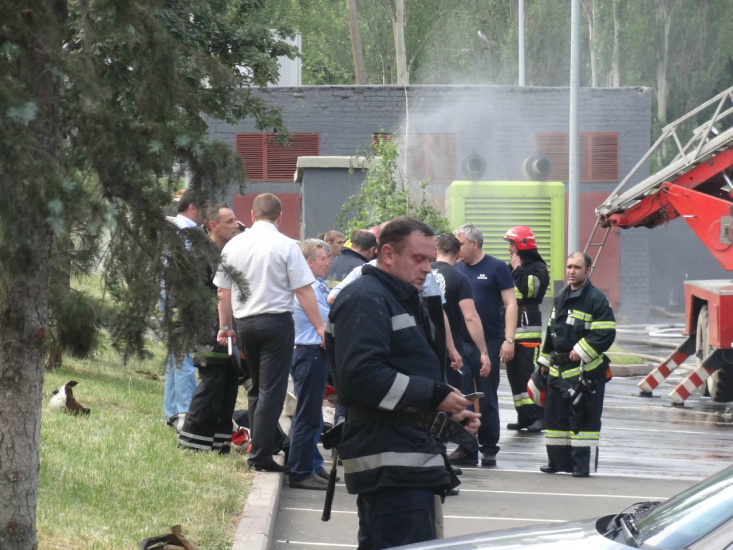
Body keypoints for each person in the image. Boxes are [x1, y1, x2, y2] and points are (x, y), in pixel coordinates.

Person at [326, 217, 480, 550]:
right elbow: (359, 377)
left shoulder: (399, 297)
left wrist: (446, 411)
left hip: (404, 458)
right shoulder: (365, 298)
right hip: (391, 464)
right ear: (387, 254)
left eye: (430, 259)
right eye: (418, 259)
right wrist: (434, 395)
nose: (427, 268)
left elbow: (405, 372)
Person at [214, 193, 325, 473]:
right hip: (276, 323)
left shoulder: (233, 245)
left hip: (244, 324)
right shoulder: (287, 245)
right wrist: (320, 327)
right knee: (271, 392)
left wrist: (225, 327)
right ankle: (261, 455)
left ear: (252, 215)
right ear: (280, 216)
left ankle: (261, 446)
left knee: (256, 389)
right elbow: (303, 290)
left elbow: (223, 291)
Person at [537, 252, 616, 478]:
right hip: (558, 371)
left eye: (577, 267)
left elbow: (606, 332)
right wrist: (544, 361)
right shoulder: (561, 295)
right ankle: (557, 462)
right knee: (555, 418)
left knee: (584, 420)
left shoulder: (596, 299)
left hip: (585, 374)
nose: (571, 271)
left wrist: (580, 351)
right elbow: (552, 330)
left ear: (588, 271)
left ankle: (581, 466)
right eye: (569, 266)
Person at [451, 224, 518, 467]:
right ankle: (466, 448)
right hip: (461, 343)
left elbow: (511, 304)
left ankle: (489, 447)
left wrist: (508, 340)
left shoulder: (496, 267)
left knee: (487, 396)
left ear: (474, 243)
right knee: (462, 397)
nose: (457, 249)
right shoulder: (456, 268)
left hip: (489, 342)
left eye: (460, 244)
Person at [178, 205, 241, 453]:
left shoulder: (227, 254)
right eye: (230, 221)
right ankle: (193, 441)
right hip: (208, 328)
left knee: (228, 384)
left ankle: (219, 441)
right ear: (213, 226)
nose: (236, 225)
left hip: (227, 329)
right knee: (212, 383)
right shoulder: (201, 255)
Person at [288, 239, 333, 490]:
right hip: (310, 353)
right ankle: (300, 471)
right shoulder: (310, 290)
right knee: (307, 416)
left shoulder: (315, 287)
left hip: (311, 353)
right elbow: (328, 321)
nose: (328, 262)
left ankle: (310, 467)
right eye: (323, 258)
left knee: (311, 415)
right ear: (308, 262)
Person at [162, 189, 204, 422]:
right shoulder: (186, 231)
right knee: (185, 357)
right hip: (180, 295)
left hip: (169, 294)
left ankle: (173, 411)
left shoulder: (174, 228)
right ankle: (187, 415)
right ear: (193, 207)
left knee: (175, 357)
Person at [503, 226, 550, 433]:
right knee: (514, 376)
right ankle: (524, 416)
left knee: (528, 374)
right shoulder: (512, 267)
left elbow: (531, 291)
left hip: (528, 330)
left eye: (512, 244)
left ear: (522, 245)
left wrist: (518, 269)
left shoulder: (538, 267)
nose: (509, 249)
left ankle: (538, 416)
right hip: (511, 331)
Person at [430, 234, 491, 390]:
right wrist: (483, 352)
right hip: (452, 351)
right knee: (454, 394)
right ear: (458, 255)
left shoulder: (422, 273)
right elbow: (470, 317)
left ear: (436, 251)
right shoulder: (460, 279)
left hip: (426, 346)